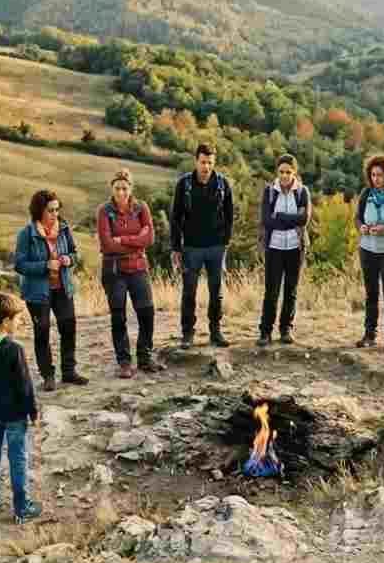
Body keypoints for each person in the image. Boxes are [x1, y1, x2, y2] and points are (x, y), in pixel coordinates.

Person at [0, 293, 42, 524]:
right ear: (5, 321)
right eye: (16, 319)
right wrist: (33, 411)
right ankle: (22, 507)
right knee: (17, 458)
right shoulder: (14, 348)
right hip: (14, 415)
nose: (18, 323)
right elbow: (25, 384)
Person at [15, 190, 88, 390]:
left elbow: (75, 254)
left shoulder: (64, 229)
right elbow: (19, 265)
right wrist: (45, 266)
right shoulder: (26, 234)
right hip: (37, 293)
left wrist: (69, 259)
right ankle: (47, 376)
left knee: (68, 327)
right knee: (42, 332)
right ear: (39, 211)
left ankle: (69, 372)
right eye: (50, 210)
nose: (55, 214)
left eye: (57, 209)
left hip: (62, 288)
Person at [97, 169, 165, 378]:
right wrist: (136, 240)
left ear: (131, 188)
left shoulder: (141, 208)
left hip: (138, 268)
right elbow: (107, 244)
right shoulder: (105, 211)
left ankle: (144, 357)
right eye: (117, 188)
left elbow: (150, 238)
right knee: (119, 317)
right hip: (114, 270)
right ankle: (124, 362)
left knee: (147, 312)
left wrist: (123, 240)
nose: (121, 192)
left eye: (125, 188)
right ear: (112, 188)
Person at [170, 143, 235, 349]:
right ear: (196, 161)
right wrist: (176, 247)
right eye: (202, 162)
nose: (206, 166)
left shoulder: (223, 184)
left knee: (217, 291)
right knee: (189, 291)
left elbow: (230, 216)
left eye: (209, 162)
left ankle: (215, 331)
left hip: (216, 247)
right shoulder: (184, 184)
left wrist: (225, 242)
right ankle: (188, 333)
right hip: (191, 247)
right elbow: (175, 217)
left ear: (214, 163)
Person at [257, 154, 311, 346]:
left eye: (288, 172)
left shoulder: (302, 192)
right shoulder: (270, 192)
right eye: (281, 172)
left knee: (291, 290)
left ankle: (286, 329)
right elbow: (266, 220)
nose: (285, 176)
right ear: (277, 172)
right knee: (271, 291)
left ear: (294, 172)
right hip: (274, 247)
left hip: (295, 248)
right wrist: (291, 218)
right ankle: (265, 331)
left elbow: (304, 220)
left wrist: (279, 216)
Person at [354, 155, 384, 352]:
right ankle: (369, 335)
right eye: (373, 175)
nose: (376, 179)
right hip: (367, 250)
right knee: (371, 293)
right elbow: (357, 218)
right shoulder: (367, 193)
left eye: (380, 175)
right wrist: (362, 227)